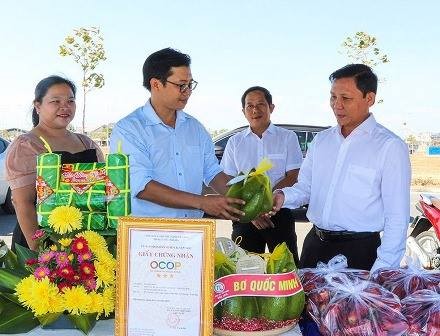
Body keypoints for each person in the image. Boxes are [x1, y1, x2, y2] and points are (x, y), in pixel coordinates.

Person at [272, 64, 411, 272]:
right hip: (314, 247)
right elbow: (305, 189)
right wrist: (282, 197)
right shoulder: (321, 141)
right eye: (333, 97)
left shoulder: (390, 146)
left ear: (369, 98)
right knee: (306, 305)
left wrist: (380, 272)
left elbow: (397, 218)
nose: (337, 105)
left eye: (346, 98)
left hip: (360, 254)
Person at [109, 48, 244, 220]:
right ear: (156, 84)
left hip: (192, 231)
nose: (187, 91)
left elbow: (212, 171)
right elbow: (141, 186)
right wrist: (202, 202)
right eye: (181, 85)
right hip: (150, 233)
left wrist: (244, 203)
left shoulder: (195, 128)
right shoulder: (129, 129)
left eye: (190, 84)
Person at [6, 75, 104, 251]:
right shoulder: (27, 144)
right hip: (42, 240)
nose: (64, 107)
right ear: (38, 106)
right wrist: (40, 253)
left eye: (70, 101)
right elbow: (23, 203)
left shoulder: (86, 143)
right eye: (55, 101)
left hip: (86, 238)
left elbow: (104, 192)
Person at [221, 86, 303, 264]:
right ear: (243, 111)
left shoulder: (287, 137)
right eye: (249, 106)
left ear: (271, 107)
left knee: (286, 267)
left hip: (279, 212)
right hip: (246, 216)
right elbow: (229, 180)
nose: (255, 110)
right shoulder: (235, 142)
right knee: (244, 269)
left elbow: (294, 175)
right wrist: (252, 211)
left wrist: (266, 203)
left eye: (260, 104)